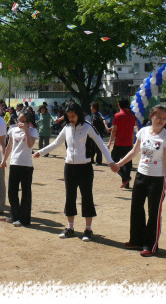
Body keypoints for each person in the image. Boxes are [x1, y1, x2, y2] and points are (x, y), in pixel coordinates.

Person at [34, 102, 118, 241]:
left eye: (73, 116)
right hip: (69, 167)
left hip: (85, 167)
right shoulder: (66, 127)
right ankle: (70, 227)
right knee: (70, 196)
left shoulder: (87, 127)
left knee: (86, 197)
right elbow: (56, 143)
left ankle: (88, 229)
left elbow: (101, 144)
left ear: (79, 114)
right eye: (69, 116)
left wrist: (110, 162)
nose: (71, 118)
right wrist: (41, 152)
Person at [115, 105, 166, 257]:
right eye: (158, 117)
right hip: (141, 176)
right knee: (136, 208)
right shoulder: (143, 131)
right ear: (151, 115)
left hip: (157, 180)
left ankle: (150, 245)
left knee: (153, 212)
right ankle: (136, 240)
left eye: (164, 118)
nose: (161, 120)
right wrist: (119, 164)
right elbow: (134, 151)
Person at [0, 111, 38, 227]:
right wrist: (4, 160)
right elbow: (9, 146)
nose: (19, 122)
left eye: (22, 121)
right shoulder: (13, 130)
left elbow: (31, 145)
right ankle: (15, 215)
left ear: (28, 122)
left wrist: (26, 130)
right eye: (18, 120)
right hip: (14, 163)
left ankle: (24, 219)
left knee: (26, 193)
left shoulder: (32, 131)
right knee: (12, 192)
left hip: (26, 165)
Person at [108, 98, 137, 189]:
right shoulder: (132, 116)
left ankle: (125, 177)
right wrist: (132, 143)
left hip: (119, 143)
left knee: (113, 161)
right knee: (127, 164)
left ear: (119, 105)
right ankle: (126, 184)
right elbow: (132, 131)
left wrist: (109, 142)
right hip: (128, 143)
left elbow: (114, 131)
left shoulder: (117, 116)